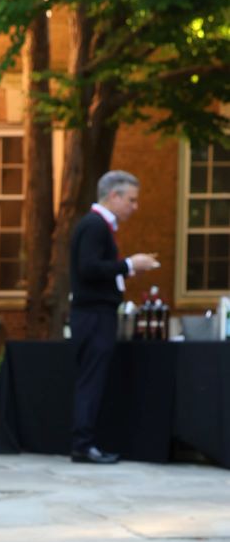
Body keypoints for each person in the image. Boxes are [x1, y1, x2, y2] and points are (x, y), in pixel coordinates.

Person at [68, 171, 159, 466]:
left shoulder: (97, 225)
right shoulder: (95, 225)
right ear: (113, 196)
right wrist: (129, 263)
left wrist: (128, 269)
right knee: (91, 379)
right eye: (131, 200)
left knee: (93, 378)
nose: (135, 206)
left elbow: (95, 268)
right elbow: (89, 268)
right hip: (94, 314)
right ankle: (83, 444)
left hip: (95, 312)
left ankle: (86, 441)